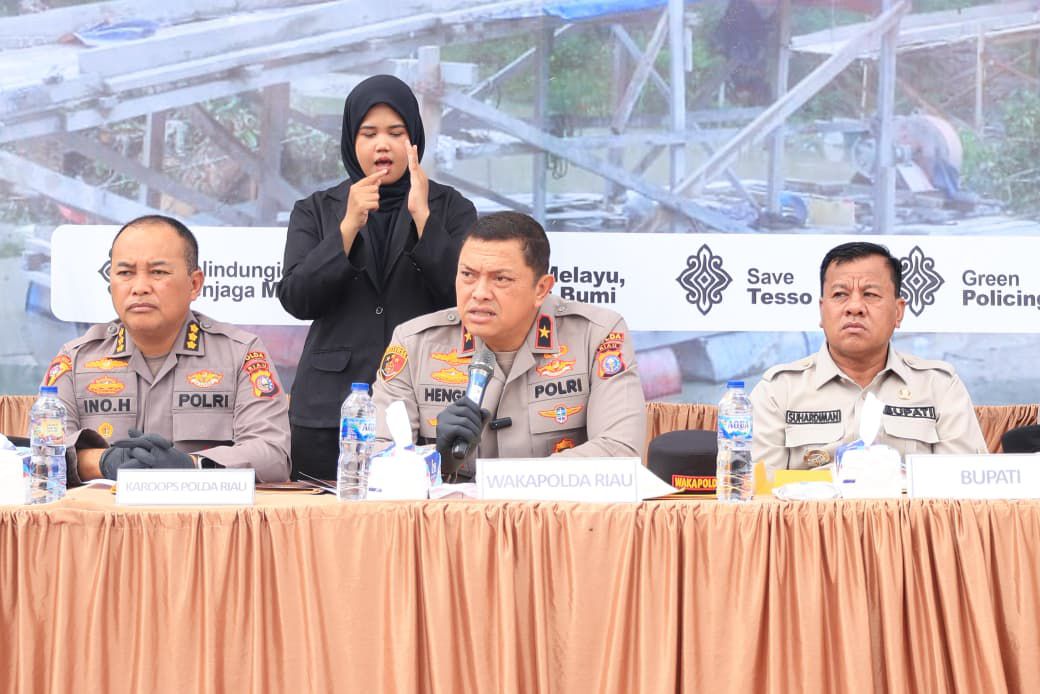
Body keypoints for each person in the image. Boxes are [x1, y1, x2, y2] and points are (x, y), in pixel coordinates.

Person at [278, 74, 476, 480]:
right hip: (329, 411)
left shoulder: (451, 208)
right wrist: (348, 226)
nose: (382, 145)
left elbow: (465, 297)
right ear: (351, 141)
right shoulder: (316, 209)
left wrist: (423, 219)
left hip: (425, 406)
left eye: (396, 133)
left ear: (414, 139)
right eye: (369, 134)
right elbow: (297, 298)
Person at [372, 211, 646, 477]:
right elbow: (375, 459)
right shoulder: (414, 344)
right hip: (451, 509)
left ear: (541, 289)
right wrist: (438, 459)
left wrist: (508, 481)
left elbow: (619, 451)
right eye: (468, 275)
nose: (479, 293)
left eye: (500, 279)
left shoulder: (595, 335)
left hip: (555, 508)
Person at [42, 215, 290, 484]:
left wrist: (193, 466)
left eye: (158, 272)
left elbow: (273, 455)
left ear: (194, 284)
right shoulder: (75, 359)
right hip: (102, 511)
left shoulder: (241, 355)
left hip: (203, 510)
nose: (139, 288)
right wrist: (104, 462)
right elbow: (40, 453)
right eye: (125, 273)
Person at [751, 241, 986, 472]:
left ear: (898, 312)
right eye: (840, 294)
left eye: (870, 294)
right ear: (822, 311)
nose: (855, 307)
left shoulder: (939, 386)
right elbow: (756, 488)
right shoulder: (778, 391)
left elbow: (963, 483)